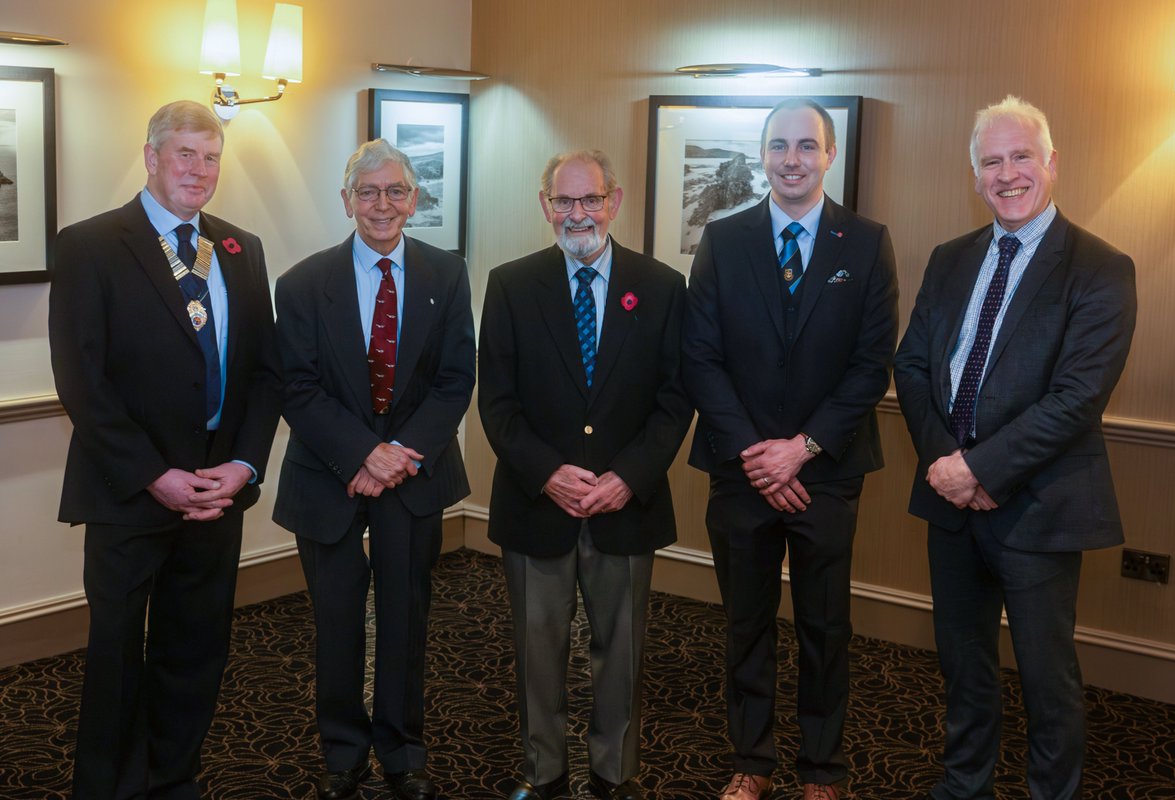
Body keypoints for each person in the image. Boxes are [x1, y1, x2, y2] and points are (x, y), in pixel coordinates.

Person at [893, 95, 1137, 800]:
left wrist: (980, 467)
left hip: (1039, 504)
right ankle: (963, 785)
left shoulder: (1099, 267)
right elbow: (912, 368)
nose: (1007, 174)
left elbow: (1077, 397)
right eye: (991, 161)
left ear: (1051, 163)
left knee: (1044, 675)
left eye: (1021, 156)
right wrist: (948, 467)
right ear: (974, 176)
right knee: (962, 665)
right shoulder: (949, 259)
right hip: (951, 502)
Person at [48, 99, 282, 799]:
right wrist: (155, 475)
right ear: (151, 157)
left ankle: (173, 778)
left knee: (195, 652)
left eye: (211, 157)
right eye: (185, 154)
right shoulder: (90, 244)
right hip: (129, 496)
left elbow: (264, 372)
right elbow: (81, 381)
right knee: (117, 658)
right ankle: (108, 788)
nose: (199, 170)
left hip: (216, 498)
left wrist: (240, 468)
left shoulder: (240, 247)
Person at [683, 98, 899, 800]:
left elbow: (872, 365)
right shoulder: (723, 238)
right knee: (745, 624)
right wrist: (757, 454)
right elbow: (701, 358)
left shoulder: (866, 242)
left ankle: (822, 770)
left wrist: (799, 450)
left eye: (807, 145)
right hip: (739, 469)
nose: (792, 159)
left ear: (830, 154)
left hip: (827, 472)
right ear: (763, 155)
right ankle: (752, 761)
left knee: (824, 626)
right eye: (779, 146)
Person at [477, 150, 692, 800]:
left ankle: (613, 772)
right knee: (537, 655)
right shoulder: (512, 284)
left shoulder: (659, 287)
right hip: (537, 505)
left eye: (591, 200)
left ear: (614, 201)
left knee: (621, 653)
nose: (579, 214)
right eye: (564, 202)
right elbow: (498, 403)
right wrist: (548, 475)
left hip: (627, 504)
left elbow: (674, 399)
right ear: (546, 206)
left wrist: (627, 477)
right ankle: (544, 774)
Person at [272, 138, 475, 800]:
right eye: (368, 192)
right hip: (328, 475)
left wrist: (399, 456)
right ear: (346, 201)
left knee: (405, 617)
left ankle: (402, 748)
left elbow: (454, 380)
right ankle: (342, 751)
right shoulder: (302, 283)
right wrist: (363, 454)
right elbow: (297, 387)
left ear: (413, 200)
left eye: (395, 192)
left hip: (413, 477)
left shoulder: (447, 273)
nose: (382, 205)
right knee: (335, 620)